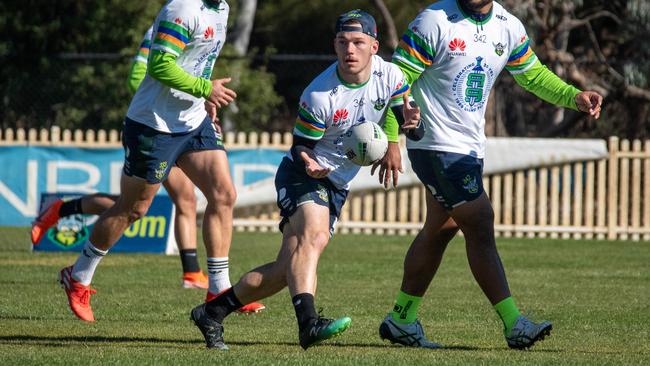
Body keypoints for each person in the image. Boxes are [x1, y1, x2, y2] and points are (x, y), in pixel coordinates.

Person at [376, 0, 603, 350]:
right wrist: (392, 138)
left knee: (441, 229)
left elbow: (533, 75)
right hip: (435, 145)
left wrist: (574, 97)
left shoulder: (508, 26)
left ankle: (402, 319)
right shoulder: (434, 21)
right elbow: (397, 81)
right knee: (480, 221)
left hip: (469, 148)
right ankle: (515, 324)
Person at [189, 9, 420, 350]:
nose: (350, 50)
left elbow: (406, 118)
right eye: (343, 42)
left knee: (286, 270)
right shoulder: (320, 95)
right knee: (312, 238)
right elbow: (300, 147)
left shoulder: (392, 77)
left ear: (374, 46)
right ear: (335, 46)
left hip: (336, 182)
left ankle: (212, 312)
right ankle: (308, 324)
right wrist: (309, 164)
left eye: (358, 42)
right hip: (302, 174)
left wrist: (409, 128)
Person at [57, 0, 263, 322]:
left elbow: (201, 61)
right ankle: (78, 275)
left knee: (224, 195)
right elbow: (159, 66)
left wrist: (204, 98)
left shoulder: (221, 8)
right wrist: (204, 88)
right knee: (133, 209)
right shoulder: (182, 8)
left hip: (192, 121)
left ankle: (219, 289)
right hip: (153, 126)